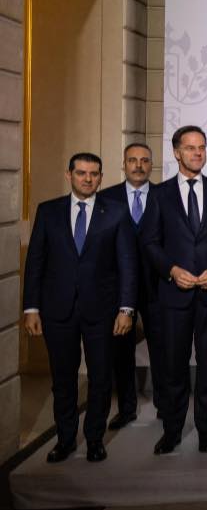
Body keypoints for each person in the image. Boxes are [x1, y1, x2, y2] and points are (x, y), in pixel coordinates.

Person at [23, 153, 136, 463]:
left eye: (94, 174)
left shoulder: (116, 212)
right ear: (69, 175)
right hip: (57, 310)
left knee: (100, 378)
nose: (88, 179)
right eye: (82, 173)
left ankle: (95, 439)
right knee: (63, 379)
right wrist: (31, 308)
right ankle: (65, 439)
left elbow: (128, 264)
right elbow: (35, 263)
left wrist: (126, 309)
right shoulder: (48, 212)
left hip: (102, 311)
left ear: (101, 177)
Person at [139, 125, 207, 454]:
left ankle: (205, 429)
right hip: (175, 295)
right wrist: (171, 271)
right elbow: (149, 241)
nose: (197, 153)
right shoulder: (159, 194)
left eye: (202, 148)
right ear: (176, 152)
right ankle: (172, 431)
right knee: (173, 367)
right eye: (190, 148)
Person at [100, 142, 158, 429]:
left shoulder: (164, 195)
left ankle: (165, 405)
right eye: (132, 160)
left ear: (151, 165)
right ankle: (126, 408)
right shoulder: (105, 198)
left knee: (161, 348)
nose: (138, 165)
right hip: (119, 287)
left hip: (157, 286)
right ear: (123, 164)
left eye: (144, 160)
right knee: (121, 351)